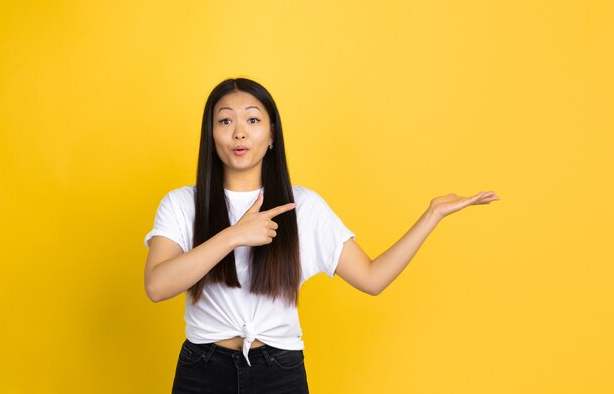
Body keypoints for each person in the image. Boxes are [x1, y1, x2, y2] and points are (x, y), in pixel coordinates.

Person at [143, 77, 499, 394]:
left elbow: (372, 278)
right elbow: (157, 286)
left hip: (279, 371)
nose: (239, 132)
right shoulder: (182, 204)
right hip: (202, 370)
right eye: (225, 121)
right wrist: (233, 236)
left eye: (253, 120)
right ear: (211, 134)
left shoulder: (305, 207)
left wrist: (432, 214)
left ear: (271, 136)